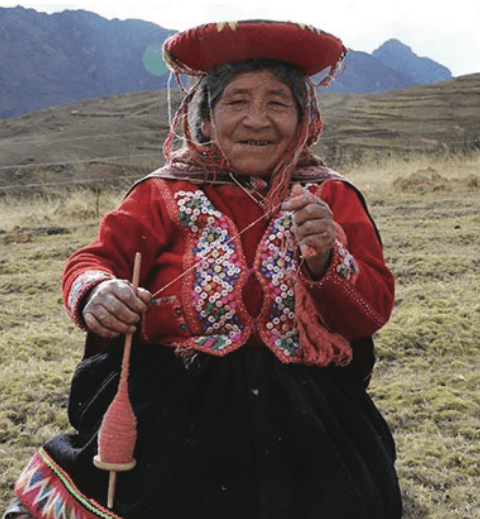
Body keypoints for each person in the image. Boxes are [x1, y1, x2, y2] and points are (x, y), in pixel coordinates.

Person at [5, 20, 402, 519]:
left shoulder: (332, 196)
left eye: (278, 103)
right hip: (172, 398)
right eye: (237, 102)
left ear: (303, 119)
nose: (257, 120)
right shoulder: (163, 192)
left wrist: (327, 257)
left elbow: (372, 311)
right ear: (207, 119)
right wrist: (98, 292)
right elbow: (93, 260)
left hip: (308, 407)